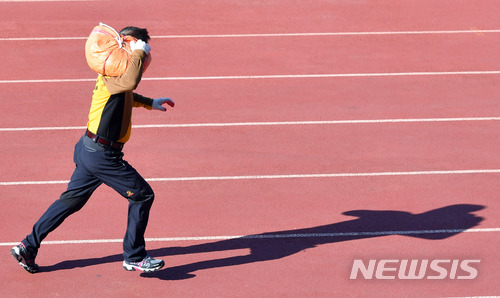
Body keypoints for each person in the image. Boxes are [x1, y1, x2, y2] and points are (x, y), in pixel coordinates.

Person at [10, 26, 174, 273]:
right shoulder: (115, 75)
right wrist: (139, 52)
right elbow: (130, 80)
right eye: (142, 47)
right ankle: (134, 255)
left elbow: (127, 91)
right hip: (102, 155)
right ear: (127, 45)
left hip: (89, 150)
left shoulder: (112, 76)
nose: (145, 53)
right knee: (142, 195)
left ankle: (27, 246)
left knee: (70, 202)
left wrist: (151, 103)